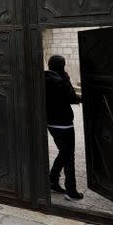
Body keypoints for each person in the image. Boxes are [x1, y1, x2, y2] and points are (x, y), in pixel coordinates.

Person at [45, 55, 83, 201]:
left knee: (64, 151)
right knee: (69, 156)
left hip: (51, 122)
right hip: (64, 123)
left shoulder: (43, 78)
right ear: (63, 65)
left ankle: (52, 180)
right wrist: (67, 79)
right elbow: (72, 98)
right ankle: (71, 191)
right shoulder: (61, 81)